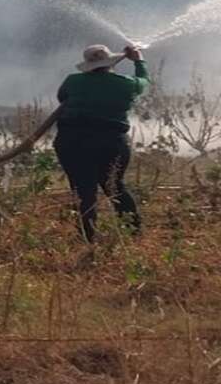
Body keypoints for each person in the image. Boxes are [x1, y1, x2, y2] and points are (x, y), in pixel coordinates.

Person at [53, 44, 149, 243]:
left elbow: (62, 97)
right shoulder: (125, 84)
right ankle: (133, 231)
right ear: (110, 63)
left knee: (83, 189)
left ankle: (87, 237)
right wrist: (139, 61)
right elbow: (144, 83)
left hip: (72, 141)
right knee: (114, 185)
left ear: (87, 65)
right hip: (111, 141)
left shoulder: (73, 81)